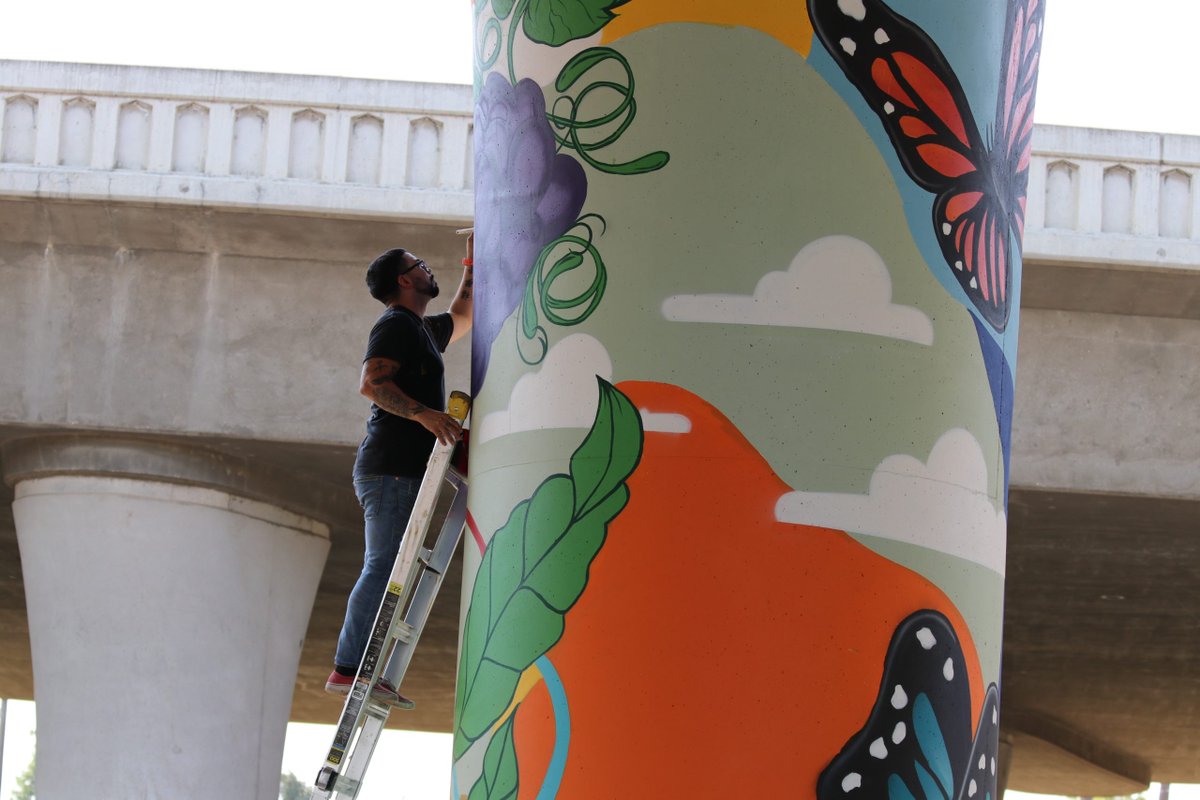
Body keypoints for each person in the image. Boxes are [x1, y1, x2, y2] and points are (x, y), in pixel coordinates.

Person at [325, 235, 474, 708]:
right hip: (389, 468)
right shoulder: (394, 325)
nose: (430, 271)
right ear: (406, 279)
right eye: (421, 265)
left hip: (402, 470)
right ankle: (349, 671)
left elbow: (466, 314)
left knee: (398, 566)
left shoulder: (423, 330)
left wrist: (474, 258)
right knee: (386, 565)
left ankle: (365, 671)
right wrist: (424, 414)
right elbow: (371, 383)